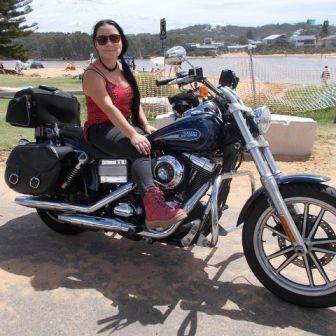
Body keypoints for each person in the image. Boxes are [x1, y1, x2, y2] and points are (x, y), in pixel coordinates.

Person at [82, 19, 187, 229]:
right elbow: (109, 107)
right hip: (100, 128)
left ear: (121, 40)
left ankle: (169, 197)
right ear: (95, 44)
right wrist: (133, 134)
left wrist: (146, 126)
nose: (109, 43)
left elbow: (134, 101)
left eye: (114, 37)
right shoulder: (92, 74)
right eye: (103, 39)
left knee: (161, 143)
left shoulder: (123, 67)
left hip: (122, 125)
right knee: (139, 148)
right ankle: (154, 209)